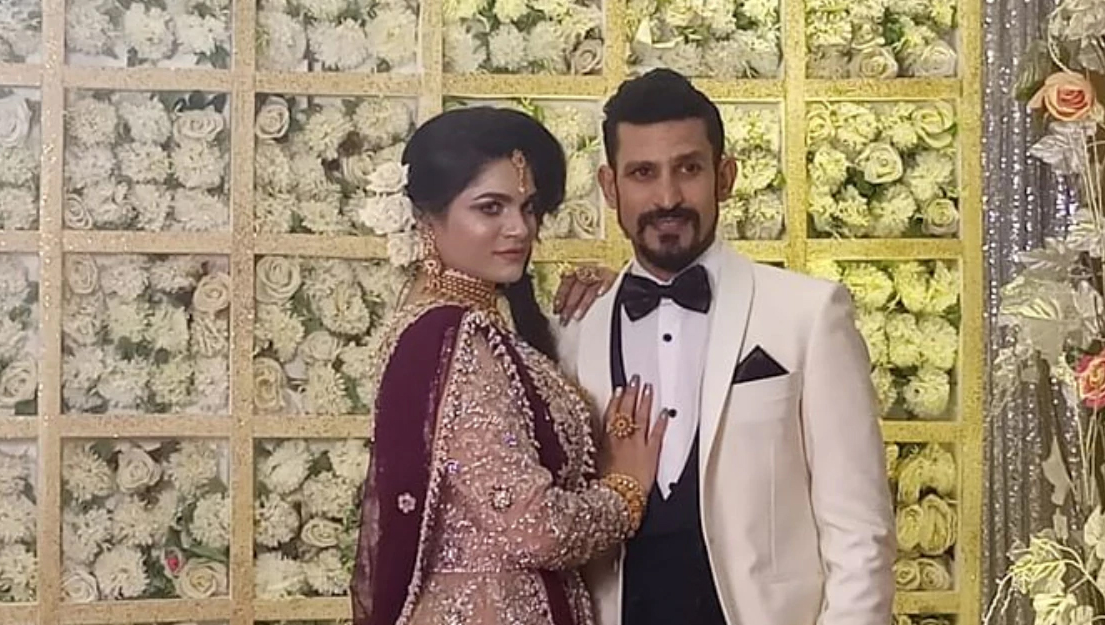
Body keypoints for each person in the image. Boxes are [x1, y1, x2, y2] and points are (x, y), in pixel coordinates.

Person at [554, 69, 897, 625]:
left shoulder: (809, 314)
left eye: (688, 169)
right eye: (643, 173)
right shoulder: (574, 328)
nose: (668, 197)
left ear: (725, 176)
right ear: (610, 187)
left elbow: (860, 532)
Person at [350, 106, 667, 625]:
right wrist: (624, 490)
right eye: (490, 208)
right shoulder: (453, 337)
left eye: (528, 207)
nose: (519, 228)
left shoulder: (467, 330)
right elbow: (536, 527)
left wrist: (612, 303)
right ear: (426, 219)